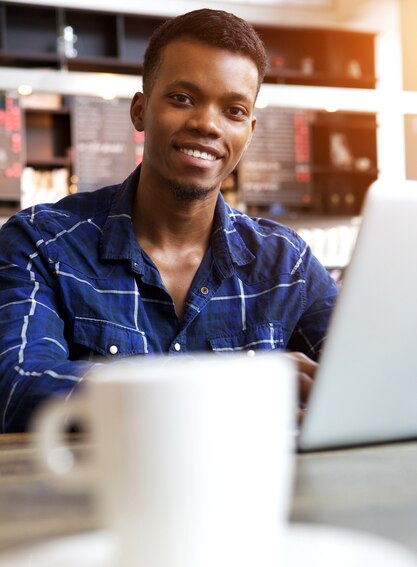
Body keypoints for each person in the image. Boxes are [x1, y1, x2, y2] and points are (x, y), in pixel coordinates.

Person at [0, 8, 338, 432]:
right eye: (182, 98)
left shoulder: (286, 262)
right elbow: (18, 387)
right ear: (140, 111)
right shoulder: (41, 244)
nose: (206, 124)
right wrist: (225, 387)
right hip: (99, 496)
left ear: (249, 131)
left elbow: (365, 375)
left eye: (233, 110)